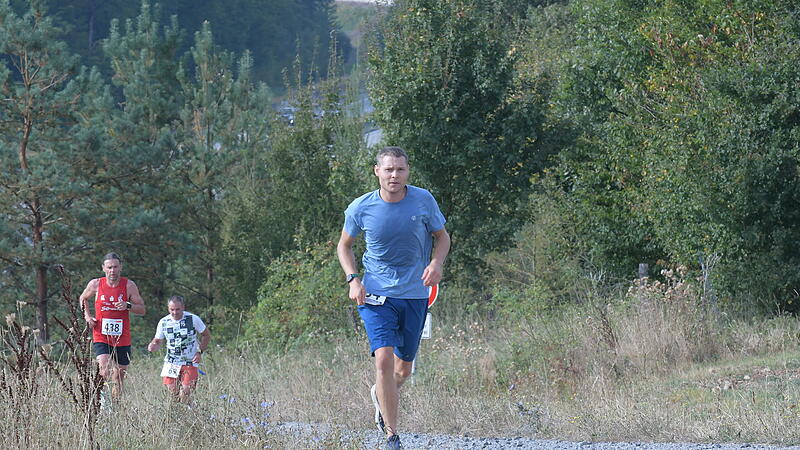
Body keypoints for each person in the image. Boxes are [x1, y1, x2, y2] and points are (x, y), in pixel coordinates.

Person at [337, 146, 451, 449]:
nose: (394, 175)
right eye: (388, 169)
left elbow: (442, 237)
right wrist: (353, 279)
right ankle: (392, 435)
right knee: (384, 359)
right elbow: (344, 246)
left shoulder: (423, 200)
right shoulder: (361, 208)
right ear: (377, 171)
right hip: (375, 294)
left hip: (414, 293)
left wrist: (436, 264)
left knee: (403, 370)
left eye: (400, 169)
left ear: (407, 171)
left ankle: (380, 395)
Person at [80, 252, 146, 404]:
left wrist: (127, 305)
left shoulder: (129, 285)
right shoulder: (96, 284)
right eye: (109, 267)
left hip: (122, 337)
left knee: (119, 377)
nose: (112, 270)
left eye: (115, 267)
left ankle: (114, 406)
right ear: (103, 268)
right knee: (104, 369)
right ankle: (102, 403)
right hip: (101, 334)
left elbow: (142, 310)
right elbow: (83, 298)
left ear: (120, 268)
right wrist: (87, 317)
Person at [147, 295, 211, 404]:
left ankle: (187, 410)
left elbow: (206, 335)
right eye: (172, 309)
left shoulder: (192, 319)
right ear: (168, 308)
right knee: (173, 393)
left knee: (185, 392)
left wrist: (200, 352)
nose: (175, 312)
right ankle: (182, 413)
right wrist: (153, 345)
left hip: (190, 360)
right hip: (172, 362)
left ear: (183, 307)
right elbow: (157, 340)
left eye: (178, 309)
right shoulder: (164, 322)